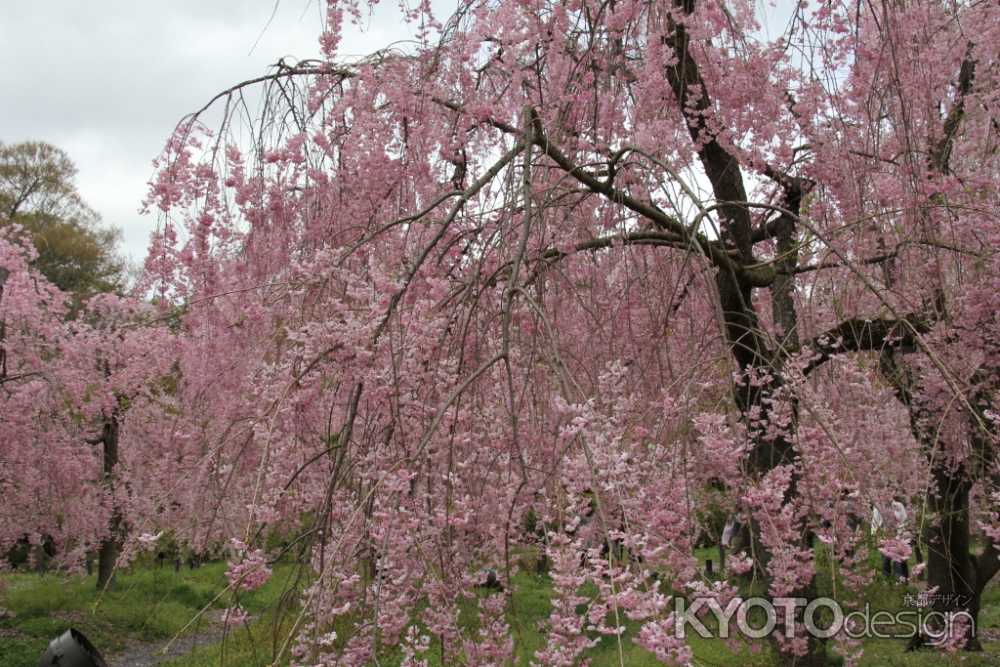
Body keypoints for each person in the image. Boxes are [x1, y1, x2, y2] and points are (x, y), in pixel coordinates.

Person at [871, 496, 909, 581]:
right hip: (884, 536)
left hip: (898, 537)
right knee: (885, 560)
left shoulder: (899, 506)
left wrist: (899, 534)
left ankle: (901, 581)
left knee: (899, 560)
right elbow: (874, 523)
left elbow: (904, 521)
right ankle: (887, 580)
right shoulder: (878, 507)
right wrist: (875, 536)